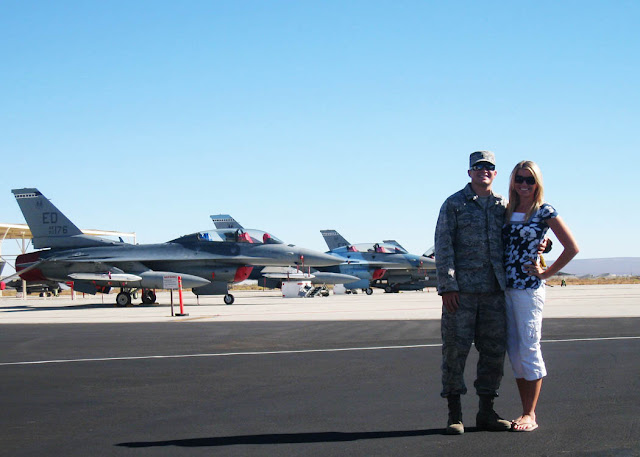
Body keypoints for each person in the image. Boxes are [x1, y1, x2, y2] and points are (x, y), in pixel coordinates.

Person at [434, 151, 512, 435]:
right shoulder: (454, 204)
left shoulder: (504, 205)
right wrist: (448, 286)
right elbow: (443, 245)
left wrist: (544, 244)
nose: (484, 171)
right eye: (478, 167)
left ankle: (486, 411)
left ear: (495, 173)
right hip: (462, 294)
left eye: (489, 167)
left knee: (493, 353)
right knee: (455, 352)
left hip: (494, 293)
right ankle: (454, 414)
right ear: (469, 172)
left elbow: (520, 234)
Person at [503, 160, 579, 432]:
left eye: (530, 180)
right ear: (513, 181)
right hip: (504, 289)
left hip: (528, 289)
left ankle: (530, 414)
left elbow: (572, 247)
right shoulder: (506, 210)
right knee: (514, 351)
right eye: (519, 179)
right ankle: (523, 410)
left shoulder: (544, 211)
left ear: (537, 184)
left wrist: (546, 273)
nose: (524, 184)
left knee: (529, 347)